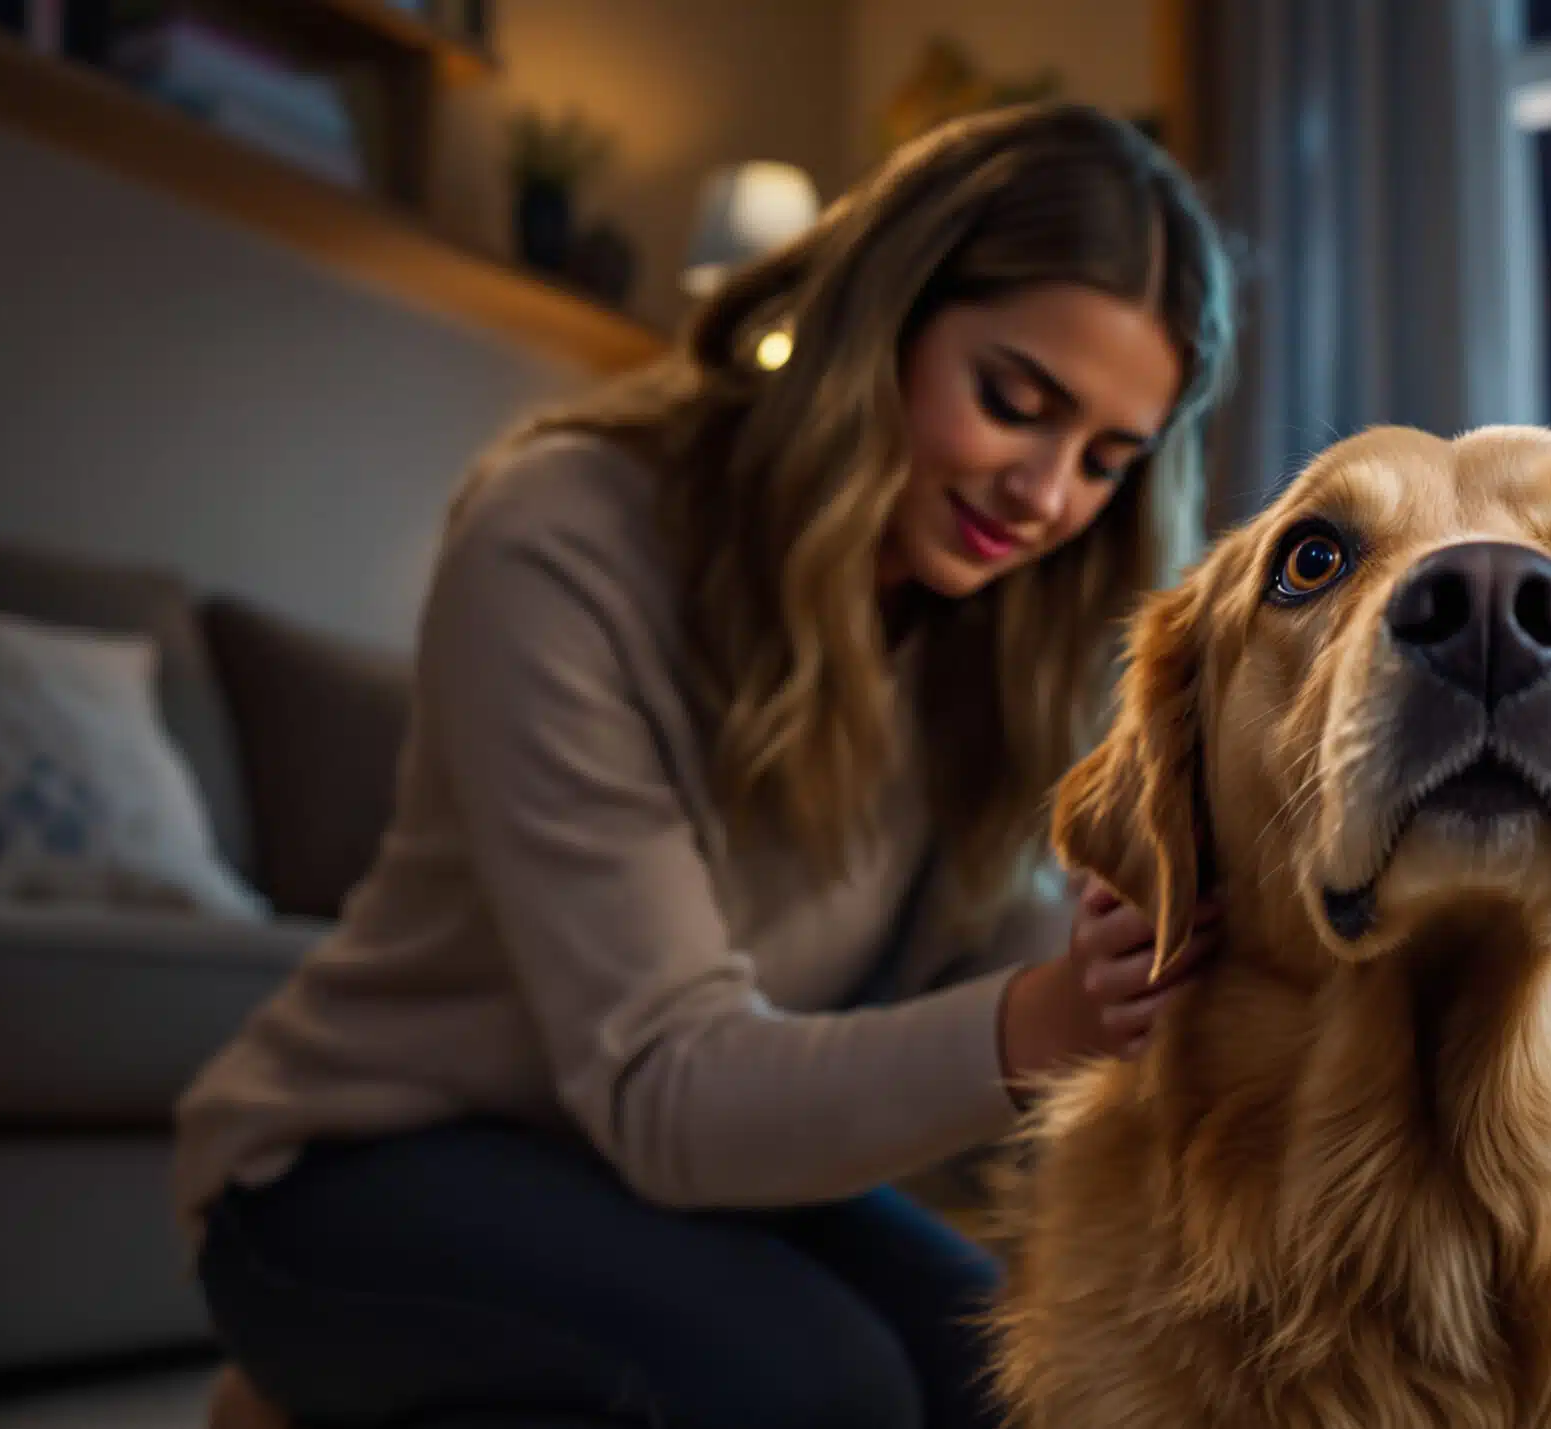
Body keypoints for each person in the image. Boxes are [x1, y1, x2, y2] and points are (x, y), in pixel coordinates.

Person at [174, 101, 1236, 1429]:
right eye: (1015, 402)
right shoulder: (562, 535)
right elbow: (668, 1091)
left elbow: (992, 956)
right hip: (361, 1162)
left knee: (1017, 1384)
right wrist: (1049, 1021)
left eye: (1106, 461)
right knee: (814, 1390)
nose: (1047, 495)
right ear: (880, 322)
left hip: (663, 1184)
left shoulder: (1002, 624)